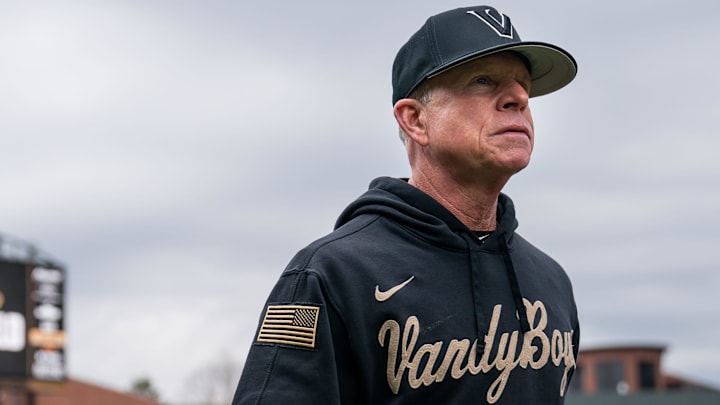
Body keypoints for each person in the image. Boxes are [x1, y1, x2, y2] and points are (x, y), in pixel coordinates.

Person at [232, 5, 579, 404]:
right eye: (483, 81)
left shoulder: (551, 281)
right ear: (415, 120)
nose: (518, 97)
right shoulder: (329, 275)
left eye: (522, 85)